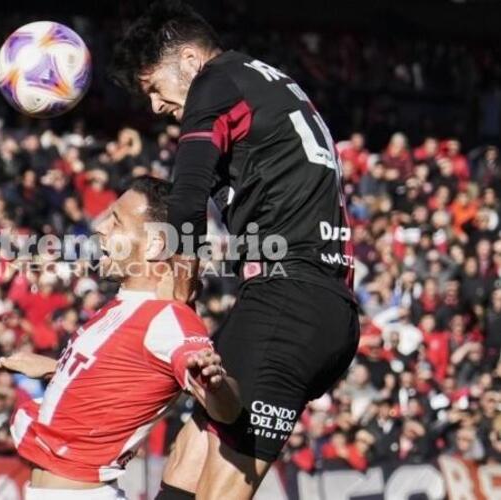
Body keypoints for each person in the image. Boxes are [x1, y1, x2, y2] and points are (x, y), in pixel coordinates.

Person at [111, 2, 360, 498]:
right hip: (313, 302)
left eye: (154, 88)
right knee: (189, 452)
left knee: (218, 485)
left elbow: (188, 194)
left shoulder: (214, 83)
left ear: (187, 58)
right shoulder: (265, 80)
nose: (156, 107)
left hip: (288, 301)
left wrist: (173, 302)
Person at [0, 177, 239, 500]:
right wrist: (55, 367)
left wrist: (215, 386)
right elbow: (119, 382)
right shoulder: (123, 304)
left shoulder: (169, 319)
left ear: (154, 245)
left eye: (116, 221)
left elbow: (227, 410)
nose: (101, 227)